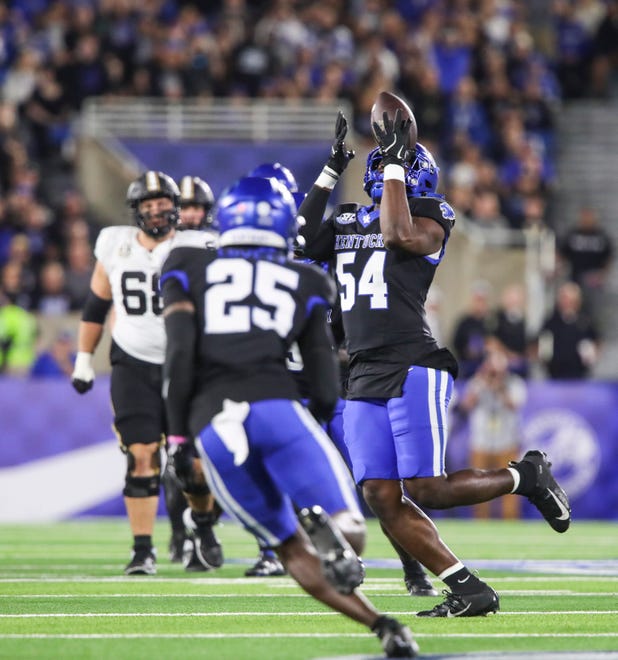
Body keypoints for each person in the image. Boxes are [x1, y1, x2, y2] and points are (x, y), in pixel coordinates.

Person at [297, 109, 571, 617]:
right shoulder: (348, 218)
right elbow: (300, 239)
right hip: (360, 370)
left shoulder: (432, 215)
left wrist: (396, 167)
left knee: (427, 487)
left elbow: (400, 236)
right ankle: (467, 589)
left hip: (411, 364)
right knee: (380, 494)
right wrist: (332, 169)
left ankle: (525, 477)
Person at [160, 175, 418, 658]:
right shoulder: (307, 280)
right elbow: (323, 382)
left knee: (288, 547)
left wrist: (177, 439)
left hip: (213, 423)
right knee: (351, 530)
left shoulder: (184, 264)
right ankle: (333, 532)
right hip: (278, 407)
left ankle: (381, 625)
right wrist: (314, 421)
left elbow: (177, 358)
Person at [70, 170, 222, 576]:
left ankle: (204, 525)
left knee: (190, 464)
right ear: (136, 211)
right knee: (140, 457)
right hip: (133, 361)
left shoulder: (200, 245)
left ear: (176, 209)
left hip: (187, 364)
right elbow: (96, 306)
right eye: (148, 206)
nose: (156, 212)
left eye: (163, 205)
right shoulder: (115, 244)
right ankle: (142, 550)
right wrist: (83, 359)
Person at [162, 174, 220, 568]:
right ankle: (181, 533)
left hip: (212, 359)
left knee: (211, 460)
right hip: (164, 356)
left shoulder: (221, 245)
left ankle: (201, 526)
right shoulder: (157, 248)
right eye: (186, 207)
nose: (192, 214)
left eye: (197, 207)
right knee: (175, 459)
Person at [458, 349, 527, 519]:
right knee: (479, 489)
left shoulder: (514, 383)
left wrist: (501, 387)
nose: (495, 374)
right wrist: (482, 382)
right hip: (481, 443)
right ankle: (481, 525)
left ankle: (511, 525)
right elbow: (466, 405)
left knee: (511, 489)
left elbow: (514, 404)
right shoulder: (478, 382)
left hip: (507, 442)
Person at [536, 281, 599, 379]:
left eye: (571, 300)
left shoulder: (585, 321)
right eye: (564, 299)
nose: (567, 303)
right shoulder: (551, 322)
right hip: (555, 374)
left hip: (579, 374)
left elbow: (595, 341)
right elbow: (543, 348)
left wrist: (593, 353)